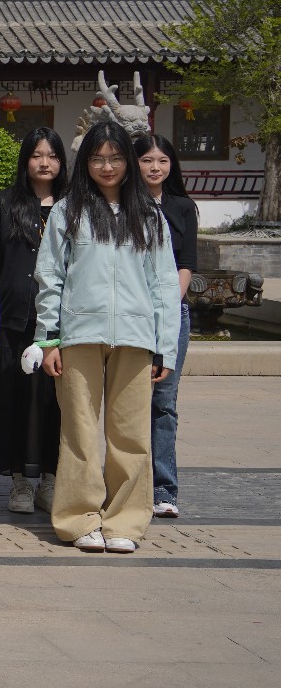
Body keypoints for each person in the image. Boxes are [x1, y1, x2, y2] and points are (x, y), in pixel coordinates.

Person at [36, 122, 180, 553]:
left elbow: (164, 283)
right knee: (79, 431)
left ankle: (125, 522)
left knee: (131, 434)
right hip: (79, 332)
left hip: (136, 335)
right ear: (86, 163)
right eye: (98, 158)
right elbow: (49, 276)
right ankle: (78, 519)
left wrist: (165, 346)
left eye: (116, 158)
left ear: (128, 163)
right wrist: (49, 339)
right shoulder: (68, 211)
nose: (107, 166)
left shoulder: (149, 215)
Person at [0, 127, 68, 515]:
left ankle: (50, 479)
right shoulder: (5, 204)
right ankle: (20, 481)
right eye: (36, 155)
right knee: (14, 403)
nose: (44, 163)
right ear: (25, 160)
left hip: (62, 328)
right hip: (14, 322)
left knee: (55, 405)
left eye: (52, 155)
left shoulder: (75, 206)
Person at [133, 133, 197, 519]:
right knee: (128, 402)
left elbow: (186, 263)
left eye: (162, 160)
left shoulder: (183, 207)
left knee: (164, 403)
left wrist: (168, 305)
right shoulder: (124, 206)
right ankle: (129, 486)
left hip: (173, 314)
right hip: (133, 315)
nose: (155, 167)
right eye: (147, 160)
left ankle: (164, 488)